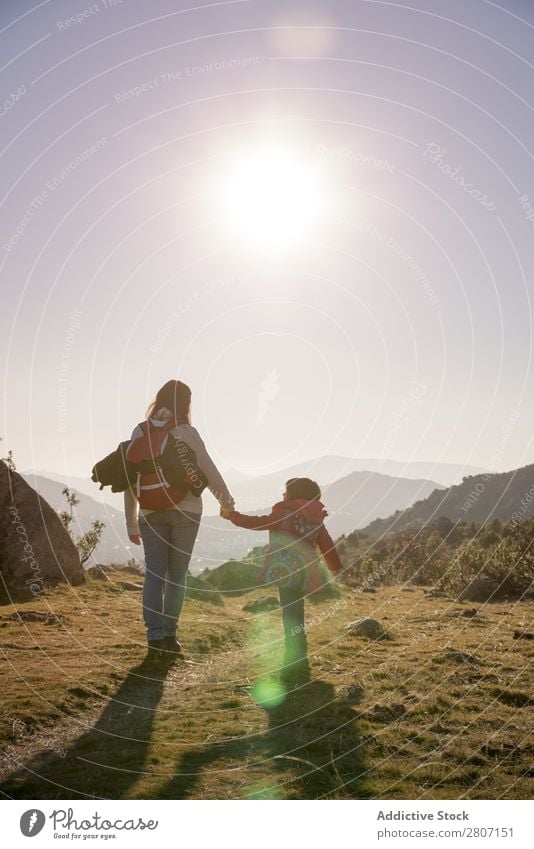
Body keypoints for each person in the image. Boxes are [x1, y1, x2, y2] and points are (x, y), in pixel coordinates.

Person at [125, 380, 235, 659]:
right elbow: (208, 469)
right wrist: (226, 501)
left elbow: (129, 479)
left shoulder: (141, 430)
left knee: (154, 574)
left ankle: (154, 637)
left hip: (150, 512)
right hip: (186, 511)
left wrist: (131, 521)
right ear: (186, 404)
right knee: (176, 576)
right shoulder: (186, 431)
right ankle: (171, 636)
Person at [222, 477, 343, 682]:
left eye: (286, 492)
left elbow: (258, 522)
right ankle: (299, 648)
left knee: (290, 611)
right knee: (296, 609)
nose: (283, 496)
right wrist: (336, 567)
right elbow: (327, 544)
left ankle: (294, 653)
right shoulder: (316, 518)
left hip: (285, 571)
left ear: (294, 495)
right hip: (304, 572)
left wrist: (233, 516)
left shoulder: (284, 513)